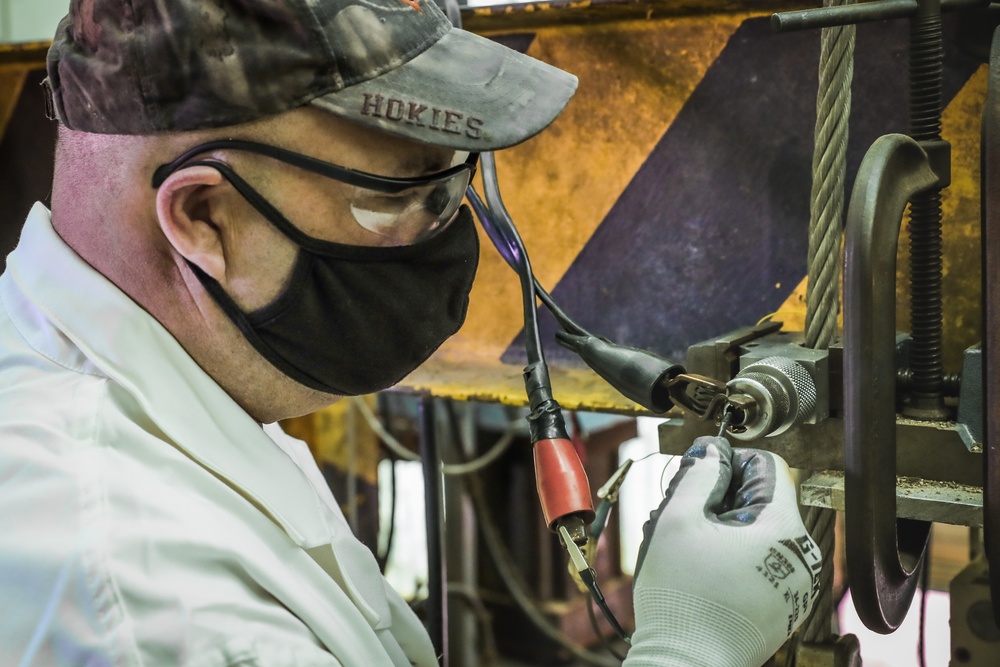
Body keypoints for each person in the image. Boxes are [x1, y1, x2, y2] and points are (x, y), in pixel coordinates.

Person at [0, 0, 821, 665]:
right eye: (403, 196)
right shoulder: (150, 603)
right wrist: (690, 649)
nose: (448, 232)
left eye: (455, 185)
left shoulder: (150, 388)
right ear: (205, 215)